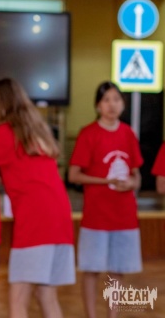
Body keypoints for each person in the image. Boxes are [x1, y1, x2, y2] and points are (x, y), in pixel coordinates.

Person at [0, 78, 75, 318]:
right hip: (60, 220)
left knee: (18, 298)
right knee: (47, 295)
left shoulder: (5, 133)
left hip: (36, 223)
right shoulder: (35, 131)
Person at [68, 81, 143, 318]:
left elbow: (137, 175)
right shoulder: (88, 133)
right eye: (106, 100)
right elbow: (73, 175)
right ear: (98, 105)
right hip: (96, 217)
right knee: (91, 270)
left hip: (124, 216)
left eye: (116, 100)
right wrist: (106, 181)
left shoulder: (128, 133)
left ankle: (113, 315)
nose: (112, 105)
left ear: (123, 104)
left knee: (117, 271)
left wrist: (131, 183)